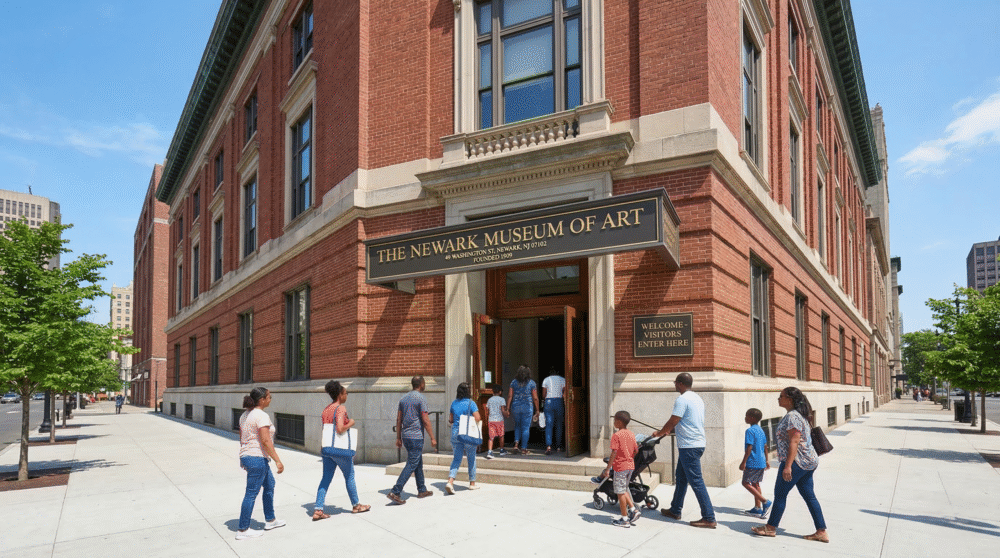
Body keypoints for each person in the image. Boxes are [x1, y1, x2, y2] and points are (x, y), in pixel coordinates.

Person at [751, 387, 828, 542]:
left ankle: (771, 528)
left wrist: (787, 466)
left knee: (780, 494)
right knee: (809, 496)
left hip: (797, 462)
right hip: (809, 462)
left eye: (781, 396)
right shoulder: (799, 415)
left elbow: (794, 441)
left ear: (790, 399)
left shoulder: (793, 416)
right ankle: (821, 531)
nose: (778, 398)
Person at [653, 372, 716, 528]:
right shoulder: (697, 398)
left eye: (675, 383)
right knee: (681, 478)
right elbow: (688, 421)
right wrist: (672, 431)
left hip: (689, 446)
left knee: (696, 481)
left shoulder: (682, 399)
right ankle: (675, 509)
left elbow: (674, 419)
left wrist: (660, 432)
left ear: (680, 383)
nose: (674, 385)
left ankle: (709, 517)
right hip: (695, 444)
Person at [313, 381, 369, 520]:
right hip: (340, 450)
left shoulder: (326, 409)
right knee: (349, 476)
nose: (347, 395)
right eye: (345, 393)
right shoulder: (340, 408)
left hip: (327, 449)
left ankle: (318, 509)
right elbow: (339, 428)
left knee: (325, 479)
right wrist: (351, 422)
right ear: (340, 395)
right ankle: (356, 505)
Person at [236, 387, 285, 539]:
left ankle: (270, 520)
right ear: (262, 400)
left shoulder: (245, 415)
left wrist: (243, 457)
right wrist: (278, 461)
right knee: (251, 493)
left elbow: (242, 438)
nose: (271, 399)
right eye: (269, 397)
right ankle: (243, 530)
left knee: (269, 485)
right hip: (256, 457)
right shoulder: (261, 416)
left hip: (251, 456)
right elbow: (265, 440)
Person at [387, 376, 437, 504]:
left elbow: (399, 419)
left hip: (406, 435)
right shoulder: (421, 398)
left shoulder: (403, 399)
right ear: (421, 384)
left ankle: (422, 490)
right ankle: (396, 491)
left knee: (417, 462)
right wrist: (432, 437)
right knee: (411, 464)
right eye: (424, 382)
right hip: (416, 437)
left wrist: (398, 437)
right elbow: (425, 420)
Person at [597, 411, 640, 527]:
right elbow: (636, 450)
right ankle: (633, 510)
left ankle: (625, 519)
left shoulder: (616, 435)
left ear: (619, 422)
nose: (614, 422)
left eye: (615, 420)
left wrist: (607, 468)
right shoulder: (631, 434)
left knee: (620, 493)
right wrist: (629, 457)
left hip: (620, 467)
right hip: (630, 466)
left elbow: (614, 452)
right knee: (624, 489)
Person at [446, 382, 482, 494]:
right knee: (471, 458)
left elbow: (451, 420)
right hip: (468, 435)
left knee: (456, 459)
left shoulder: (454, 403)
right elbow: (477, 418)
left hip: (456, 433)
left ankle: (450, 482)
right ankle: (472, 483)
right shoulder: (471, 403)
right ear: (468, 392)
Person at [739, 408, 771, 518]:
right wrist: (767, 460)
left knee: (745, 483)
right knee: (755, 483)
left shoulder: (750, 431)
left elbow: (749, 447)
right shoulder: (761, 430)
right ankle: (757, 508)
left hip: (753, 461)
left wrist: (743, 462)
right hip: (761, 461)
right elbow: (765, 446)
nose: (745, 418)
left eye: (747, 415)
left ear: (752, 418)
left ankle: (765, 501)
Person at [507, 365, 539, 454]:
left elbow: (510, 396)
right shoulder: (532, 383)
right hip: (527, 407)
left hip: (515, 407)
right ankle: (524, 448)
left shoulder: (513, 382)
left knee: (517, 425)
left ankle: (516, 444)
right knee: (525, 428)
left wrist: (508, 408)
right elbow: (535, 398)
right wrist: (537, 410)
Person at [541, 368, 566, 455]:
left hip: (548, 402)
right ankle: (558, 447)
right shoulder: (563, 379)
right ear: (558, 372)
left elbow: (544, 394)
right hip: (559, 401)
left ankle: (548, 446)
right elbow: (565, 392)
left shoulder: (546, 379)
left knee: (549, 424)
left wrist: (545, 398)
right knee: (559, 424)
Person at [484, 383, 508, 459]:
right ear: (500, 392)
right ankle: (502, 450)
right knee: (501, 435)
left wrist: (487, 418)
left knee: (491, 437)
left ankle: (490, 451)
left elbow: (487, 411)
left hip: (491, 420)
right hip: (499, 420)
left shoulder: (489, 400)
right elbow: (502, 410)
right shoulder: (502, 399)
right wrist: (507, 414)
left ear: (492, 392)